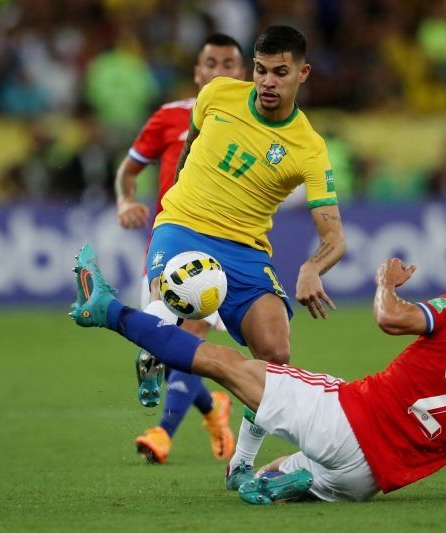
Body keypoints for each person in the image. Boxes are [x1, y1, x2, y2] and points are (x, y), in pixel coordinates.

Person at [69, 242, 446, 505]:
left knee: (232, 362)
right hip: (374, 479)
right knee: (284, 463)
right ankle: (266, 479)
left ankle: (110, 313)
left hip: (349, 420)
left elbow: (387, 319)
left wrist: (386, 281)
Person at [137, 25, 345, 487]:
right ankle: (152, 343)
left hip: (246, 250)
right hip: (184, 224)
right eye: (260, 70)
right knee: (166, 290)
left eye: (280, 72)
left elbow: (334, 235)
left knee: (276, 355)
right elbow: (191, 146)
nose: (267, 82)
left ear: (303, 73)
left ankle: (241, 462)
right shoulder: (218, 94)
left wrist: (312, 266)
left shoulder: (308, 148)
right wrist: (178, 197)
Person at [114, 34, 248, 464]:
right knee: (168, 347)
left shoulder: (255, 125)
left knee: (189, 336)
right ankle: (213, 408)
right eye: (212, 63)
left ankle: (162, 433)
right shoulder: (170, 117)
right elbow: (129, 169)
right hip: (166, 241)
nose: (221, 71)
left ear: (243, 74)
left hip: (217, 248)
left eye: (230, 64)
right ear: (197, 72)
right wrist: (124, 200)